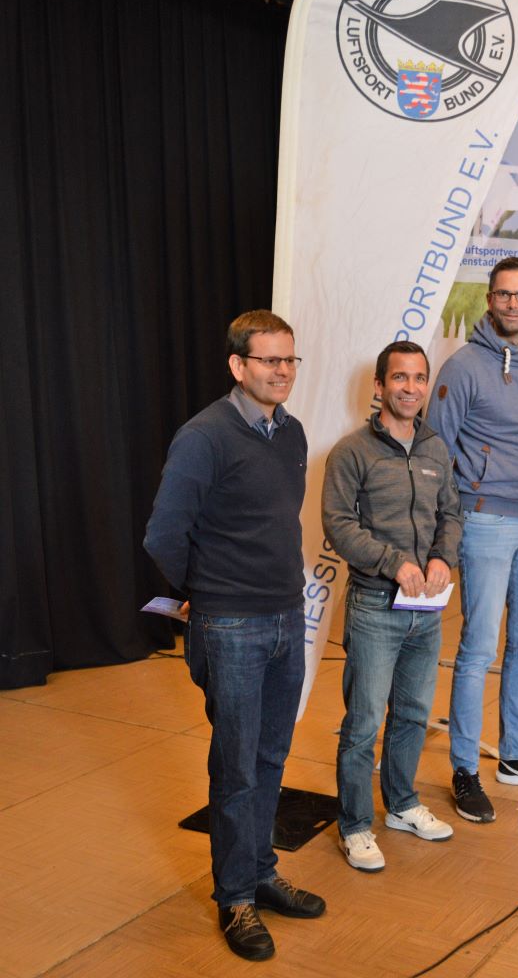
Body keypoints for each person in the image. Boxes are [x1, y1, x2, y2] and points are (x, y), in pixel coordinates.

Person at [144, 310, 324, 963]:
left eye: (289, 359)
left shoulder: (291, 432)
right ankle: (235, 898)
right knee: (237, 768)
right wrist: (206, 592)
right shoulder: (205, 437)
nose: (282, 371)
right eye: (268, 360)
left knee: (272, 759)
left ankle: (260, 871)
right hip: (230, 625)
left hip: (286, 617)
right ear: (237, 365)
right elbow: (164, 534)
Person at [426, 256, 518, 825]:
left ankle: (516, 756)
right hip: (486, 520)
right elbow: (436, 447)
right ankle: (465, 769)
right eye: (503, 294)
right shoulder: (463, 366)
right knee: (478, 650)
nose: (513, 304)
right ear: (489, 300)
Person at [322, 341, 463, 871]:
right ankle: (356, 825)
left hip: (426, 609)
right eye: (400, 377)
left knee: (413, 714)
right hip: (375, 607)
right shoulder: (352, 452)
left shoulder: (435, 448)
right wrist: (393, 562)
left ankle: (402, 804)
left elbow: (451, 514)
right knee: (362, 724)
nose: (411, 387)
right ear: (379, 386)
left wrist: (443, 556)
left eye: (419, 378)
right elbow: (338, 524)